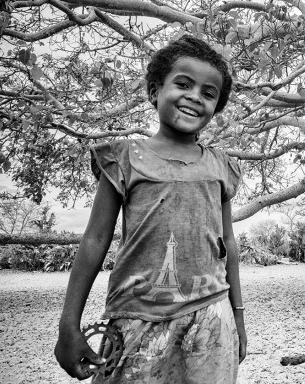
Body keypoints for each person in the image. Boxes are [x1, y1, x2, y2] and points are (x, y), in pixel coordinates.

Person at [54, 36, 246, 383]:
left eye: (208, 93)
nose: (194, 97)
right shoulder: (125, 159)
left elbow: (227, 245)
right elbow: (95, 240)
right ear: (156, 91)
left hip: (212, 316)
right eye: (183, 84)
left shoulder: (221, 166)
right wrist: (69, 324)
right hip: (136, 317)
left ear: (216, 108)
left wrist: (238, 319)